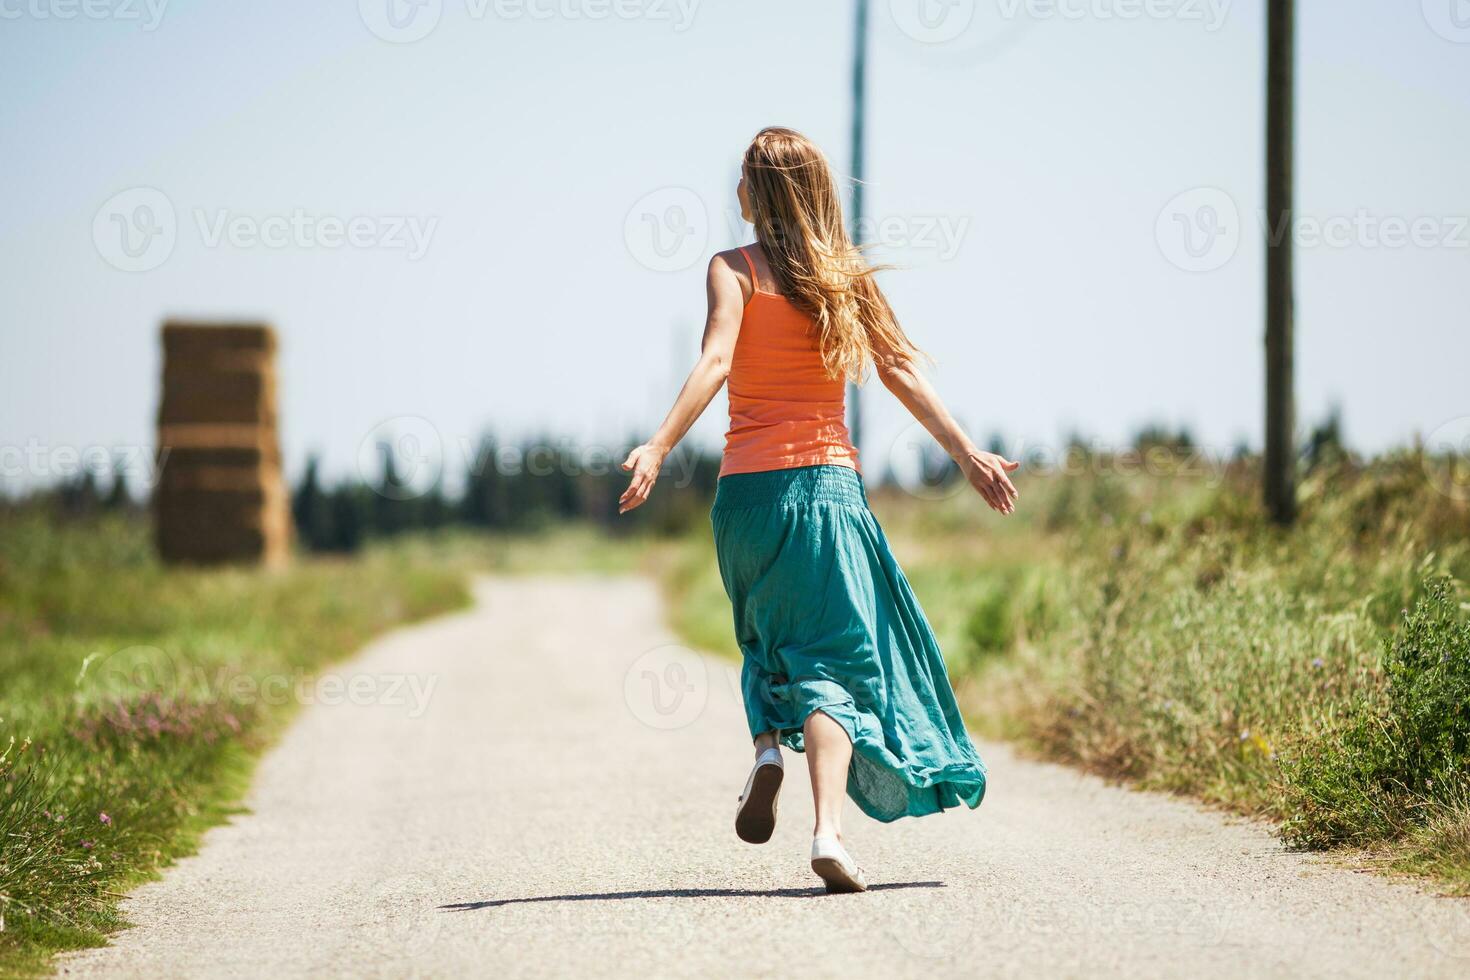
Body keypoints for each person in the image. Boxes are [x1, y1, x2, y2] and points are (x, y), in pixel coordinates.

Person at [620, 126, 1019, 893]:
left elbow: (714, 361)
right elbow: (899, 369)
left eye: (741, 177)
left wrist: (661, 445)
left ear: (760, 191)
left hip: (747, 498)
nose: (733, 189)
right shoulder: (846, 280)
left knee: (765, 637)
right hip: (826, 493)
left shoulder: (731, 269)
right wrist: (967, 453)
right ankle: (829, 831)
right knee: (832, 664)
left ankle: (766, 749)